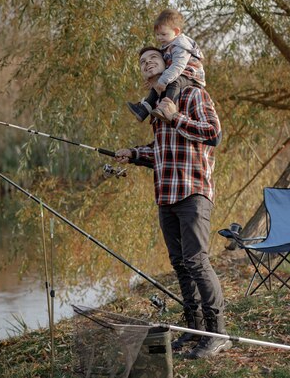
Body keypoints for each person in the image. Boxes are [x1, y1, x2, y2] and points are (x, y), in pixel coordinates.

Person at [115, 46, 230, 359]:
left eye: (153, 58)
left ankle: (217, 334)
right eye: (141, 62)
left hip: (193, 192)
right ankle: (193, 330)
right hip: (166, 194)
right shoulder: (155, 110)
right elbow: (162, 152)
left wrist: (176, 116)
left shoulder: (193, 95)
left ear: (168, 64)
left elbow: (214, 134)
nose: (147, 63)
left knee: (196, 260)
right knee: (180, 264)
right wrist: (134, 154)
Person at [127, 8, 205, 123]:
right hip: (180, 73)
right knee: (158, 85)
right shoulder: (169, 43)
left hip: (192, 76)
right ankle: (143, 110)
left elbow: (178, 66)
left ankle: (166, 108)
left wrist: (163, 80)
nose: (159, 38)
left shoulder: (180, 46)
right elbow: (166, 66)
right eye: (157, 34)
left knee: (173, 82)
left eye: (163, 34)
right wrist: (154, 81)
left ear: (176, 32)